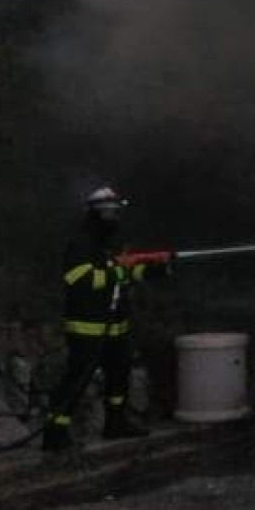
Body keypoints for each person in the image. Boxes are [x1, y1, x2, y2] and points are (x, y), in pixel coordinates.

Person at [45, 185, 159, 451]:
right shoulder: (81, 242)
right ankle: (55, 433)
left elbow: (128, 272)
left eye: (115, 211)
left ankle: (116, 422)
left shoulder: (114, 243)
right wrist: (117, 275)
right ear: (94, 213)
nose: (113, 217)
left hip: (116, 324)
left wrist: (152, 270)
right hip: (87, 325)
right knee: (78, 377)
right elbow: (78, 279)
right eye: (107, 211)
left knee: (119, 373)